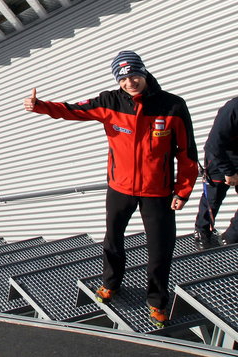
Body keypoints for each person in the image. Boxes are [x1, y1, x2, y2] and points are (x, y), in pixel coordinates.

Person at [23, 50, 197, 328]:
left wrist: (182, 191)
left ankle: (157, 302)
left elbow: (187, 153)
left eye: (135, 75)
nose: (131, 82)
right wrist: (41, 106)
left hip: (158, 192)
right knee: (113, 240)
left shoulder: (172, 106)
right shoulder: (109, 101)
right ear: (118, 80)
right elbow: (72, 110)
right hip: (120, 188)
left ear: (144, 72)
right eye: (124, 78)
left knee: (160, 249)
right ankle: (110, 284)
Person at [194, 97, 238, 248]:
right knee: (212, 199)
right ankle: (202, 232)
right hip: (220, 158)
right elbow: (213, 145)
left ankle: (231, 237)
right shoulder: (233, 108)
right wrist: (229, 172)